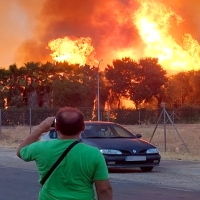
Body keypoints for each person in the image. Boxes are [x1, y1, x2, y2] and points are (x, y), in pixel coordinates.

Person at [16, 107, 112, 200]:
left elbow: (21, 151)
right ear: (83, 127)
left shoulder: (40, 148)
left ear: (56, 127)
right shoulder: (94, 154)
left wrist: (40, 129)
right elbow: (104, 189)